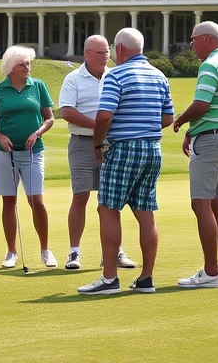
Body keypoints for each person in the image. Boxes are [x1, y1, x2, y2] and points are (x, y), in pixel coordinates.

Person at [78, 28, 174, 295]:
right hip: (152, 149)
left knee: (108, 208)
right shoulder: (159, 75)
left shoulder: (116, 75)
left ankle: (109, 278)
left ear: (119, 49)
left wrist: (98, 144)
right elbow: (167, 118)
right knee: (145, 213)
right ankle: (146, 278)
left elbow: (104, 115)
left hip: (123, 149)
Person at [172, 21, 218, 289]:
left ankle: (210, 272)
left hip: (212, 143)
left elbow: (201, 105)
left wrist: (181, 120)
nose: (191, 45)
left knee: (201, 205)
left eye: (193, 40)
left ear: (207, 39)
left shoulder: (210, 65)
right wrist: (193, 129)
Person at [58, 35, 136, 270]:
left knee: (110, 200)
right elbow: (67, 112)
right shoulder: (73, 79)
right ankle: (74, 252)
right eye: (101, 53)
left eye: (107, 52)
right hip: (82, 143)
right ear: (87, 53)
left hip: (111, 144)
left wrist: (106, 131)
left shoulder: (114, 75)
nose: (106, 57)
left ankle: (114, 252)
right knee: (81, 195)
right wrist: (97, 126)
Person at [0, 45, 57, 269]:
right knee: (9, 200)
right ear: (10, 68)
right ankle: (11, 252)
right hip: (4, 151)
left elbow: (49, 118)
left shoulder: (38, 86)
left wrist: (37, 132)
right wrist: (1, 136)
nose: (27, 67)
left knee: (36, 200)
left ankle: (45, 250)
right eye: (22, 64)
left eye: (28, 63)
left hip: (33, 151)